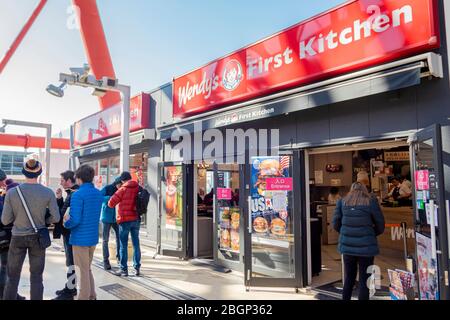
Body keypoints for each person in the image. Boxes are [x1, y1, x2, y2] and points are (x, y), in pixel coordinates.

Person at [1, 159, 60, 300]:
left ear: (23, 172)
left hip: (17, 237)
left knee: (12, 277)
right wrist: (45, 220)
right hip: (38, 238)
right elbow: (56, 218)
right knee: (37, 277)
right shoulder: (48, 192)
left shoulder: (12, 193)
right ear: (39, 173)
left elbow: (5, 220)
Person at [332, 182, 385, 300]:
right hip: (366, 248)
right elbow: (380, 225)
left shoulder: (342, 201)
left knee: (349, 278)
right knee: (364, 280)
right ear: (364, 189)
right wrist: (371, 234)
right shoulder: (370, 201)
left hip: (347, 248)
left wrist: (346, 233)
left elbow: (335, 223)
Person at [63, 165, 103, 300]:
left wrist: (66, 222)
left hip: (80, 238)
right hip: (92, 237)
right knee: (87, 268)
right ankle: (92, 294)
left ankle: (83, 297)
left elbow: (75, 220)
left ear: (79, 179)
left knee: (82, 271)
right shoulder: (98, 193)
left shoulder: (77, 195)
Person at [52, 170, 79, 300]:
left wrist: (65, 224)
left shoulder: (75, 194)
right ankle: (70, 287)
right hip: (68, 233)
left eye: (62, 180)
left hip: (71, 233)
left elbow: (68, 215)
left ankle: (71, 289)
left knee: (71, 262)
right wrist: (59, 198)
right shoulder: (70, 193)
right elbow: (64, 210)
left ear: (69, 181)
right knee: (70, 261)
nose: (60, 183)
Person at [108, 172, 141, 277]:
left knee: (123, 245)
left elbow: (111, 203)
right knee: (136, 244)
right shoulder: (138, 188)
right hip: (136, 219)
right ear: (130, 178)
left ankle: (124, 270)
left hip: (124, 220)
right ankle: (137, 268)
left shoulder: (122, 189)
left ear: (122, 180)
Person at [100, 177, 121, 270]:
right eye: (119, 184)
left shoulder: (121, 190)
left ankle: (119, 258)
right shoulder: (107, 188)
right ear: (116, 183)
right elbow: (100, 197)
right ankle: (105, 260)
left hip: (117, 218)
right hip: (106, 217)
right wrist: (111, 198)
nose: (120, 187)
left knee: (119, 238)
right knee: (105, 240)